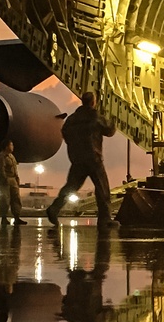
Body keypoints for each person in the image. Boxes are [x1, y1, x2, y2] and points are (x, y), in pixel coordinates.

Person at [47, 92, 116, 230]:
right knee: (102, 189)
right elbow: (109, 131)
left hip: (77, 158)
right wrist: (113, 119)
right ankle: (104, 219)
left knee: (71, 186)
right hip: (93, 158)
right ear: (93, 102)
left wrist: (75, 146)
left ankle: (54, 208)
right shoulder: (95, 116)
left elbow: (65, 132)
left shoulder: (72, 119)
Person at [0, 140, 26, 224]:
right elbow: (1, 169)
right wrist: (4, 179)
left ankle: (17, 217)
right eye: (11, 145)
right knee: (5, 199)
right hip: (4, 180)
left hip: (13, 180)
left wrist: (17, 178)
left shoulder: (12, 156)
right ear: (6, 147)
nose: (13, 147)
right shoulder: (1, 157)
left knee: (16, 199)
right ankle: (4, 218)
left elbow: (15, 169)